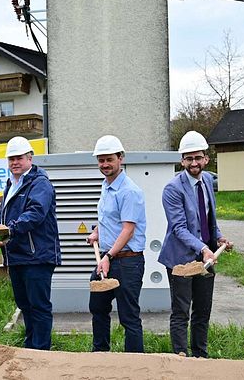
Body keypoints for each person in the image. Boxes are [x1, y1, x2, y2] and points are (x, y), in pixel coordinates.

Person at [158, 131, 232, 357]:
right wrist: (203, 248)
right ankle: (180, 358)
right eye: (188, 158)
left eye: (198, 157)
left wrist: (218, 237)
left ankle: (201, 357)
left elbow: (208, 218)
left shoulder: (208, 180)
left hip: (206, 257)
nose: (194, 163)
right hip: (181, 259)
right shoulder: (173, 189)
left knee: (203, 310)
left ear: (206, 159)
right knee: (181, 311)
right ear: (182, 161)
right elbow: (179, 228)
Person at [0, 136, 61, 350]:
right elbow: (5, 216)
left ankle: (41, 351)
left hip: (37, 256)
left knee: (39, 306)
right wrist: (0, 236)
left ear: (30, 158)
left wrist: (9, 230)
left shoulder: (40, 183)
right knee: (25, 305)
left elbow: (35, 213)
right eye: (11, 159)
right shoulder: (11, 184)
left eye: (19, 158)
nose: (15, 162)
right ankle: (31, 345)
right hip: (17, 256)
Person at [87, 135, 145, 353]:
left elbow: (128, 230)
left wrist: (108, 257)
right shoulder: (106, 186)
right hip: (107, 258)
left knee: (129, 316)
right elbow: (110, 220)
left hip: (128, 262)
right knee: (98, 308)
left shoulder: (129, 191)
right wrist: (96, 232)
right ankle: (100, 355)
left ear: (120, 158)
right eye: (101, 160)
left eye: (109, 159)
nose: (104, 165)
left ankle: (135, 364)